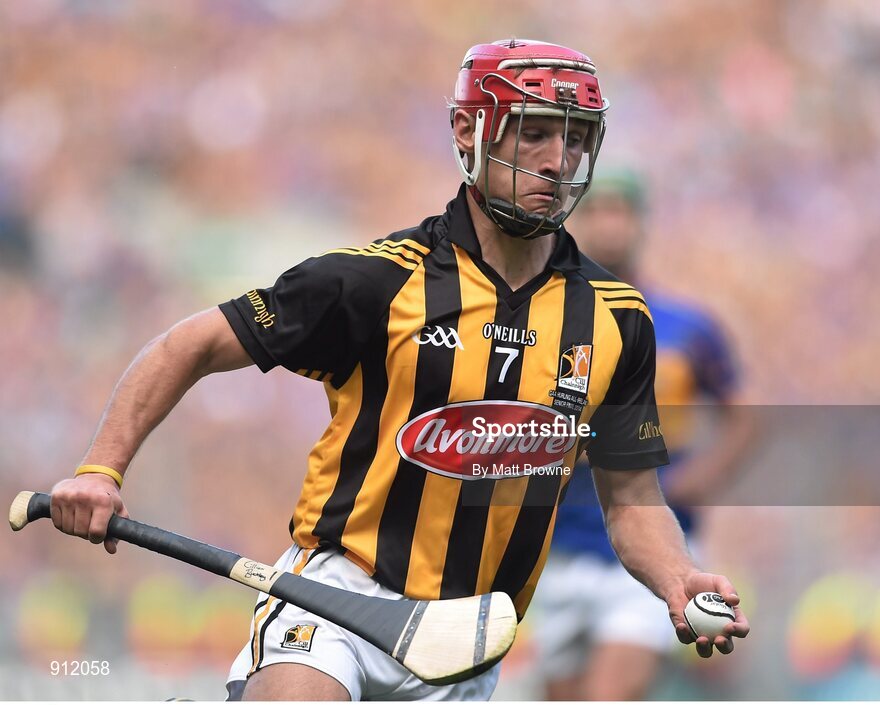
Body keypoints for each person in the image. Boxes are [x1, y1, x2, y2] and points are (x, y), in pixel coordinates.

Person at [46, 39, 749, 701]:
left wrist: (678, 576)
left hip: (467, 641)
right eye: (533, 131)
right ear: (472, 132)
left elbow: (631, 498)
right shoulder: (376, 282)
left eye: (574, 138)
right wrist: (100, 469)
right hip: (338, 599)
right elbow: (187, 345)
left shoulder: (617, 317)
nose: (557, 158)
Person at [533, 172, 756, 701]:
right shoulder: (544, 321)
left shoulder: (686, 325)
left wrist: (699, 479)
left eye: (619, 210)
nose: (608, 224)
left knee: (612, 693)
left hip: (650, 542)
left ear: (639, 222)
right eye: (595, 211)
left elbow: (744, 414)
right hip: (560, 545)